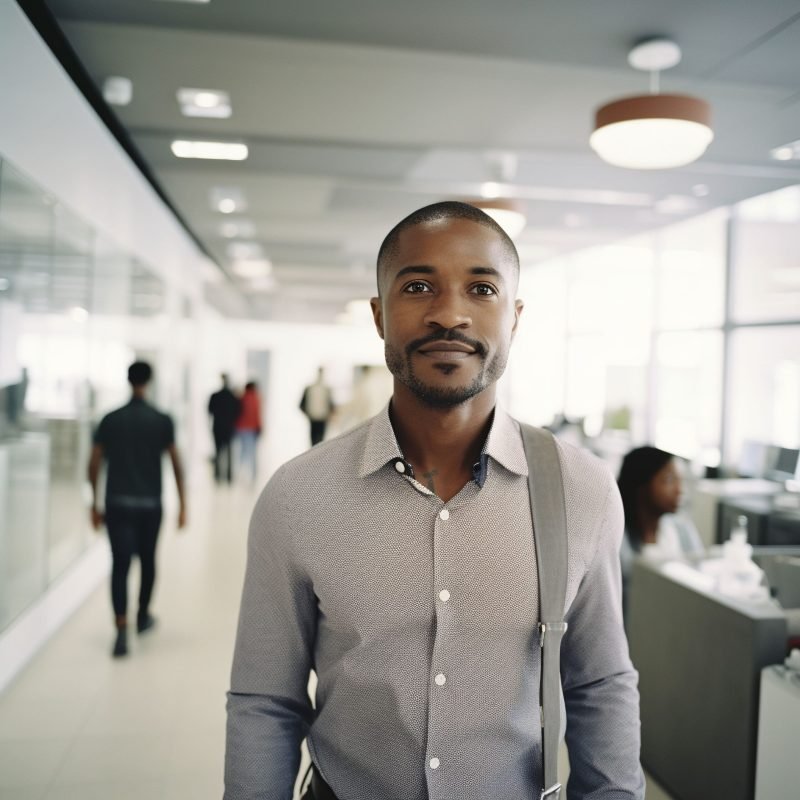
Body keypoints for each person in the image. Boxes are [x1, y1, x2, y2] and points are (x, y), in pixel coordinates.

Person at [225, 202, 644, 800]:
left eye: (482, 289)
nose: (449, 314)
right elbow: (266, 700)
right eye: (418, 286)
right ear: (379, 314)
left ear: (514, 317)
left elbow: (600, 684)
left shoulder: (581, 490)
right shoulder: (299, 495)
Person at [88, 361, 187, 658]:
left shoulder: (110, 420)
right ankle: (143, 617)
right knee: (147, 560)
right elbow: (176, 463)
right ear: (149, 381)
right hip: (150, 504)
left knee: (120, 564)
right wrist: (183, 504)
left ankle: (121, 627)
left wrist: (94, 502)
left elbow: (94, 462)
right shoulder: (162, 420)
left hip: (117, 502)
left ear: (128, 379)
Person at [617, 445, 705, 616]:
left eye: (679, 481)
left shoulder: (682, 529)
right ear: (641, 485)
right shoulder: (618, 539)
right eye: (669, 480)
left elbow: (698, 573)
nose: (679, 490)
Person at [208, 374, 241, 484]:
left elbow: (210, 410)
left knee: (218, 452)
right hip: (229, 428)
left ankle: (217, 475)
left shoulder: (215, 396)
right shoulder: (233, 397)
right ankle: (229, 477)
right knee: (229, 453)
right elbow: (238, 412)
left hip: (218, 427)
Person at [299, 367, 335, 446]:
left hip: (320, 418)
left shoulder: (326, 389)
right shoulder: (311, 388)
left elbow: (331, 405)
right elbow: (301, 405)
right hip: (315, 418)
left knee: (319, 441)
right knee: (315, 441)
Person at [236, 381, 262, 482]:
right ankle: (253, 476)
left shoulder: (242, 398)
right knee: (252, 453)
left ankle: (240, 474)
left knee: (243, 452)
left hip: (242, 428)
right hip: (252, 428)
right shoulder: (256, 398)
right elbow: (257, 414)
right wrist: (259, 427)